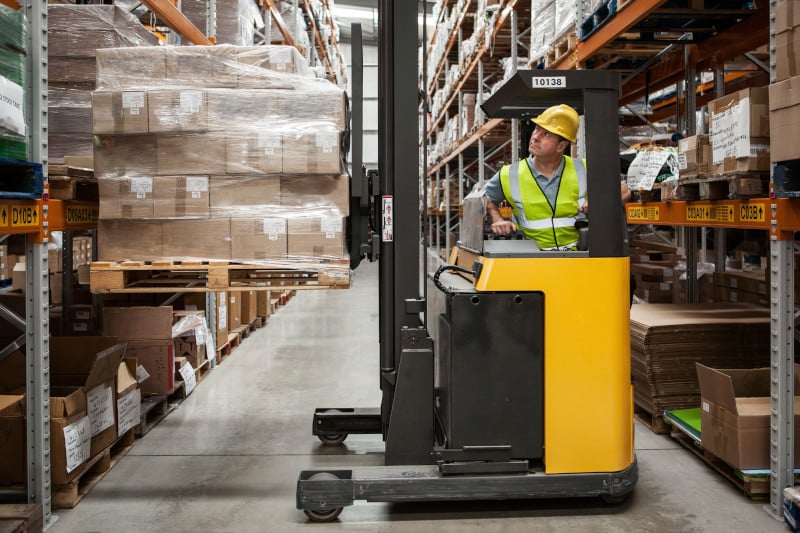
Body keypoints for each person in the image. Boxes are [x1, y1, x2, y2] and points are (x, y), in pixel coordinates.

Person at [484, 103, 630, 250]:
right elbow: (483, 199)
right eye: (537, 129)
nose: (535, 137)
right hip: (530, 257)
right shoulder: (509, 174)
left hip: (578, 257)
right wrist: (497, 219)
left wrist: (601, 202)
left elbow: (624, 190)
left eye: (546, 134)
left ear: (561, 146)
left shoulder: (585, 169)